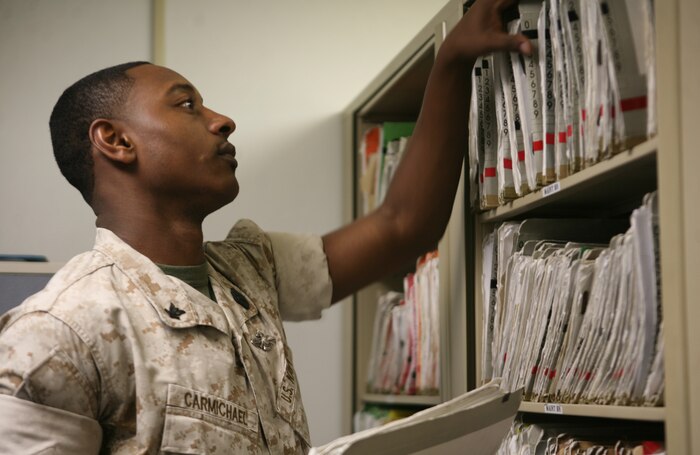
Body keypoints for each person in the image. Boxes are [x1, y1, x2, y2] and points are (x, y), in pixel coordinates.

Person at [0, 0, 530, 453]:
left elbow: (403, 226)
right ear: (116, 142)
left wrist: (454, 61)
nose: (222, 120)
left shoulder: (249, 271)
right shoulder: (57, 332)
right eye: (186, 104)